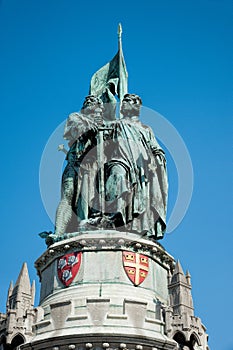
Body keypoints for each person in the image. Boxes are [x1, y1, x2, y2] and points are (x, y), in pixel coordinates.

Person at [104, 93, 168, 240]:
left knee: (142, 197)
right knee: (117, 176)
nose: (123, 104)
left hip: (141, 166)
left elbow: (155, 147)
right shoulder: (116, 124)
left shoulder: (145, 128)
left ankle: (135, 225)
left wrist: (157, 157)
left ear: (136, 106)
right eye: (124, 101)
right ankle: (114, 216)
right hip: (120, 159)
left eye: (127, 102)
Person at [54, 95, 104, 236]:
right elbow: (76, 129)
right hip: (75, 160)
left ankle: (87, 223)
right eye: (87, 101)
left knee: (88, 196)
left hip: (94, 164)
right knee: (68, 193)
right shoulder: (76, 116)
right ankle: (57, 233)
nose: (88, 102)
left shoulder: (103, 122)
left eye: (93, 101)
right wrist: (92, 126)